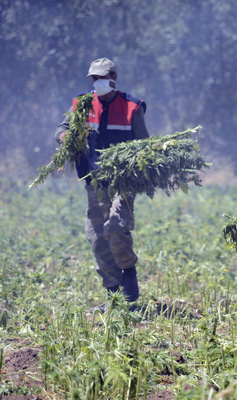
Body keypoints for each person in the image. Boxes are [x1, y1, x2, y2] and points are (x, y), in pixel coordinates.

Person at [55, 58, 149, 309]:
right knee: (97, 237)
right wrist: (65, 136)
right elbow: (61, 128)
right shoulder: (82, 104)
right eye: (94, 79)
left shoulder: (132, 107)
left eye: (102, 78)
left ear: (114, 78)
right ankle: (114, 297)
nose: (98, 83)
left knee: (116, 226)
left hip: (123, 181)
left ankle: (129, 271)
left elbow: (144, 147)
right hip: (95, 182)